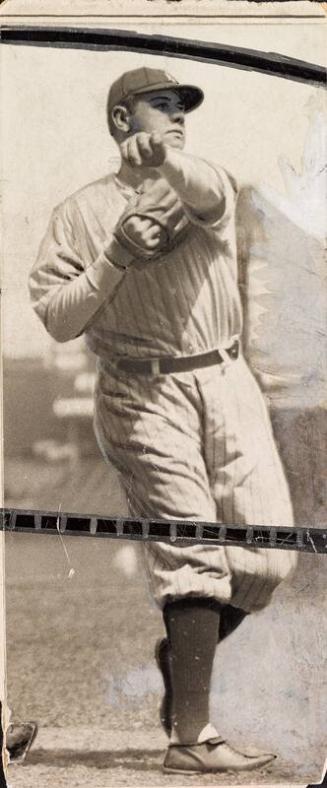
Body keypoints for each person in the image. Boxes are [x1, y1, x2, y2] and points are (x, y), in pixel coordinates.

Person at [29, 66, 297, 775]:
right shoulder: (77, 213)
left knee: (269, 559)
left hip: (225, 378)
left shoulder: (200, 178)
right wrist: (115, 256)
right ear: (121, 120)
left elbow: (209, 190)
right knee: (193, 555)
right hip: (140, 393)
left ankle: (182, 657)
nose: (177, 117)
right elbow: (58, 319)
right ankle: (191, 736)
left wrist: (169, 161)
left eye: (183, 108)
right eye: (160, 108)